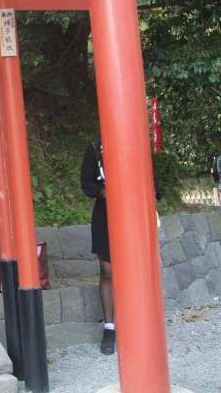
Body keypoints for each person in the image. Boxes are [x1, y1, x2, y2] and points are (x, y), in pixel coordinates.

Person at [81, 139, 161, 355]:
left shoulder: (136, 142)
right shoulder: (96, 148)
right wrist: (107, 192)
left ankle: (137, 325)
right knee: (108, 271)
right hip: (106, 215)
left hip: (133, 213)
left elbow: (154, 182)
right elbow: (87, 182)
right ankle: (109, 327)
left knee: (136, 270)